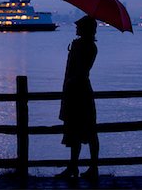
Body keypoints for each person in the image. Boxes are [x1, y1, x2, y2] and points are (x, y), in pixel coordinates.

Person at [56, 15, 99, 180]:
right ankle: (76, 166)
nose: (76, 28)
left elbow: (80, 69)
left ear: (85, 28)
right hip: (78, 90)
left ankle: (87, 167)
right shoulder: (83, 45)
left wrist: (71, 82)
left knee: (87, 130)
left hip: (78, 91)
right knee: (77, 130)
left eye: (79, 26)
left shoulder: (86, 47)